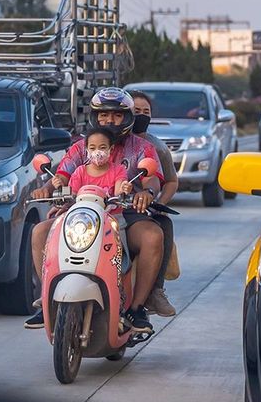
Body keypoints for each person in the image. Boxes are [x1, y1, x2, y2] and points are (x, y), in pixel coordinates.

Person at [25, 88, 164, 334]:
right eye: (103, 115)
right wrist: (45, 189)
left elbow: (152, 180)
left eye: (116, 115)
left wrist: (146, 193)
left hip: (124, 213)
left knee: (153, 237)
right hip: (81, 212)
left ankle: (138, 308)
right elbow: (61, 174)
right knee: (39, 233)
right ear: (94, 117)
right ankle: (46, 299)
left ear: (128, 117)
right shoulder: (81, 147)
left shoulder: (142, 147)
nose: (109, 120)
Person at [126, 89, 179, 317]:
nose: (141, 116)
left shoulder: (154, 147)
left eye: (145, 112)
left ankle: (154, 291)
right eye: (135, 111)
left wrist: (156, 203)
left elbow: (170, 181)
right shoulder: (102, 143)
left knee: (162, 226)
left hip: (140, 210)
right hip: (106, 208)